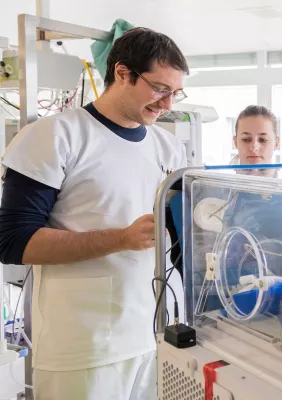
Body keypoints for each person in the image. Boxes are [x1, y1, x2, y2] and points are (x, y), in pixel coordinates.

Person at [0, 27, 189, 399]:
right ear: (122, 73)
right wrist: (121, 239)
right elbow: (12, 241)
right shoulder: (56, 136)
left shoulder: (168, 148)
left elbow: (178, 239)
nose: (167, 104)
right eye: (159, 88)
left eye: (175, 92)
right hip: (85, 344)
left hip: (157, 332)